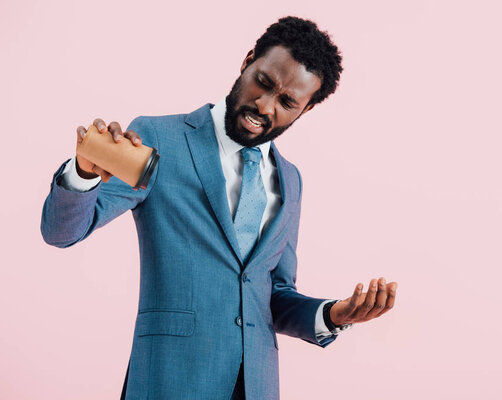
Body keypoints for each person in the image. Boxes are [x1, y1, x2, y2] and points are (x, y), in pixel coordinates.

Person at [41, 16, 397, 400]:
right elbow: (61, 232)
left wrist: (333, 314)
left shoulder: (290, 180)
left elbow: (270, 293)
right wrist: (83, 173)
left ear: (304, 110)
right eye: (263, 82)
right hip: (170, 382)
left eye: (287, 102)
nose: (264, 105)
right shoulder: (161, 139)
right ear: (247, 62)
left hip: (255, 388)